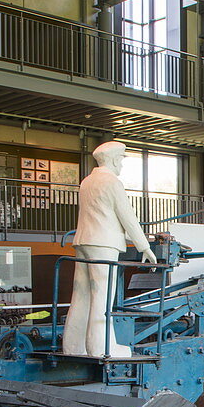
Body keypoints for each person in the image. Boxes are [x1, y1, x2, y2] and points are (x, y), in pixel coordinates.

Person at [63, 141, 156, 358]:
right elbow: (127, 217)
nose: (122, 165)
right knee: (102, 297)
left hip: (83, 241)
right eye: (121, 160)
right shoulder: (112, 182)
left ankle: (73, 346)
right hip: (104, 244)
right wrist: (144, 246)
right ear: (114, 159)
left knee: (81, 295)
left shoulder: (86, 182)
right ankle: (101, 347)